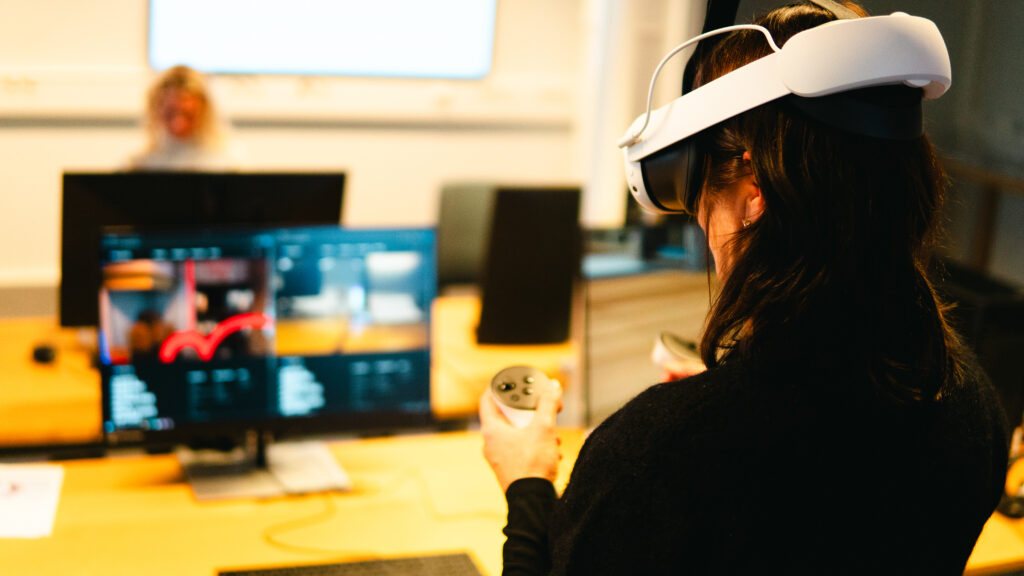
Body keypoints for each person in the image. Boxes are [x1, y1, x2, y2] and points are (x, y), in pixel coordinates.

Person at [479, 2, 1010, 574]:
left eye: (701, 198)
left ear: (752, 194)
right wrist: (726, 397)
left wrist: (527, 483)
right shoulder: (975, 410)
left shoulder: (656, 459)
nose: (703, 225)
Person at [127, 65, 240, 171]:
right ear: (155, 109)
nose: (178, 123)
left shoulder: (224, 165)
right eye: (170, 114)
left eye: (187, 114)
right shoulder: (141, 165)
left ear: (204, 111)